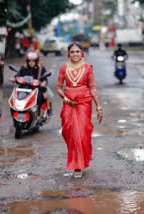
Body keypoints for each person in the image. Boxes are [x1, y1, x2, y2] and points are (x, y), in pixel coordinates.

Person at [56, 41, 103, 178]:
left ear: (82, 53)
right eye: (72, 52)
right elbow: (59, 88)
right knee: (69, 132)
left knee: (81, 134)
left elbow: (92, 88)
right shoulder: (64, 68)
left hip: (84, 103)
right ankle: (76, 160)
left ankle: (78, 166)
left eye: (77, 51)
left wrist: (98, 106)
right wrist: (66, 100)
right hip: (68, 103)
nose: (75, 54)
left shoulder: (87, 68)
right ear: (68, 54)